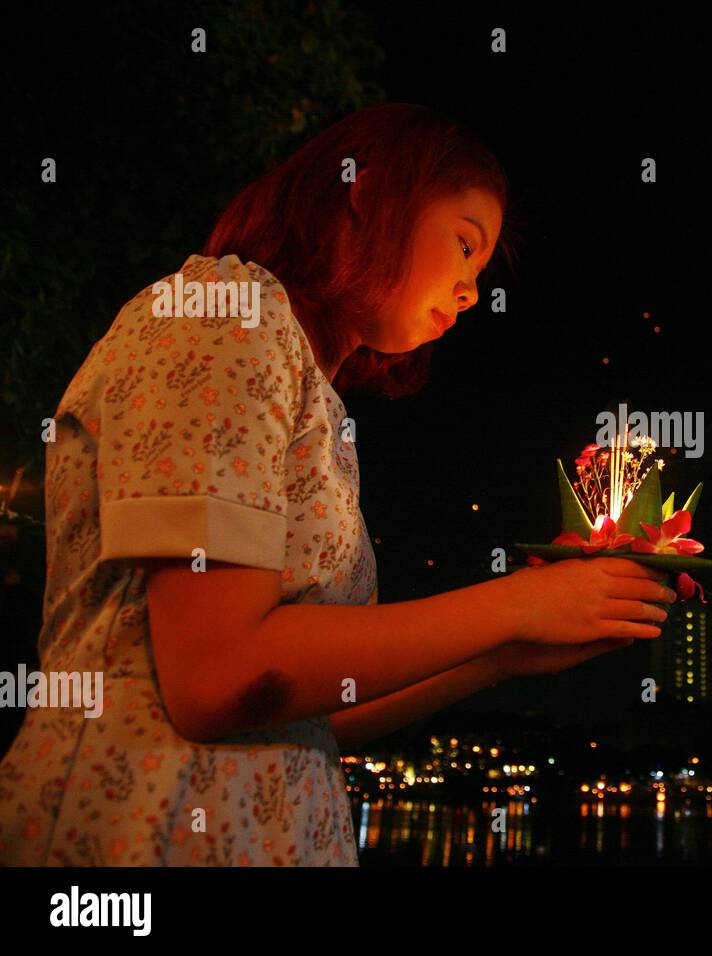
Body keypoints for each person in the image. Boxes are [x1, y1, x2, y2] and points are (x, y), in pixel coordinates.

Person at [0, 104, 674, 866]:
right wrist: (517, 603)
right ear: (369, 191)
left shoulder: (315, 399)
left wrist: (507, 648)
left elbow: (321, 712)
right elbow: (216, 676)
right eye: (462, 244)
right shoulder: (227, 313)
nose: (469, 292)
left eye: (479, 272)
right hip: (137, 836)